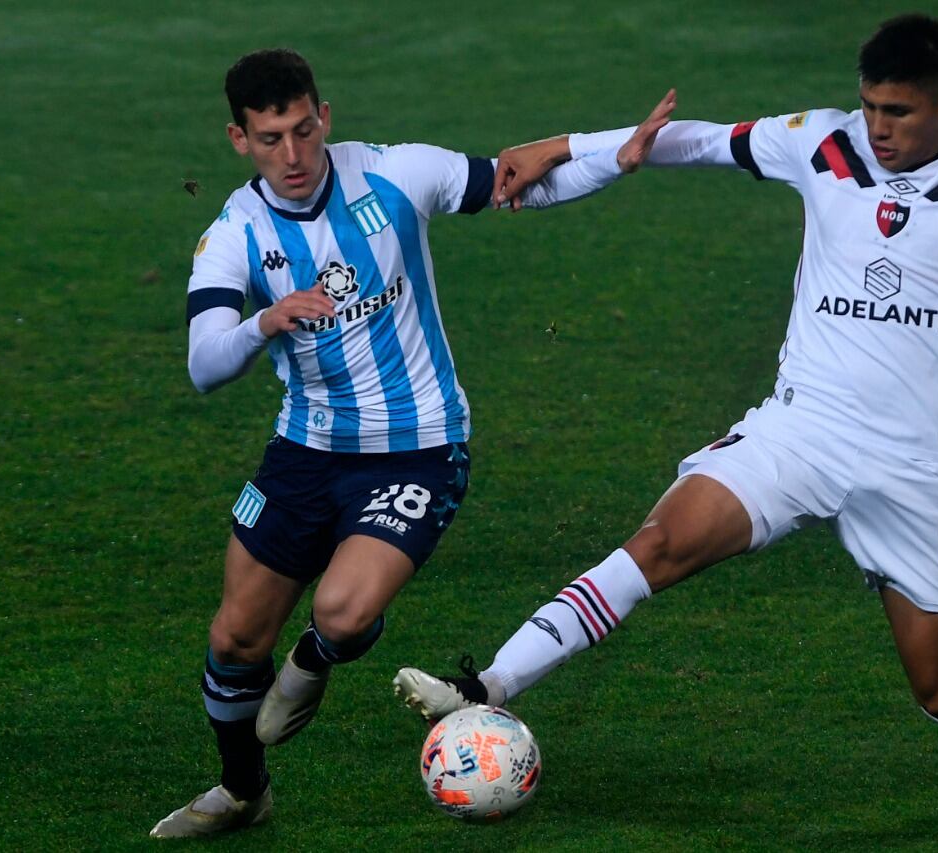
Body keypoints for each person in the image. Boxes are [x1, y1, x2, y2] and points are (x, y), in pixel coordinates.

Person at [394, 14, 938, 841]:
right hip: (801, 431)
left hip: (917, 465)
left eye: (898, 112)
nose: (878, 128)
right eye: (869, 107)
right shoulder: (825, 142)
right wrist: (562, 146)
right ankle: (486, 686)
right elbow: (696, 141)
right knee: (658, 544)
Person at [150, 49, 674, 838]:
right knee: (234, 638)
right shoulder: (235, 232)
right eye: (270, 139)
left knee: (342, 612)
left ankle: (317, 656)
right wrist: (266, 321)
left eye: (303, 130)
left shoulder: (394, 174)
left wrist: (616, 156)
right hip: (305, 451)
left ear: (324, 117)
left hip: (420, 446)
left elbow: (517, 177)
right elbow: (203, 365)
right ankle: (242, 790)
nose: (292, 154)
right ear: (239, 139)